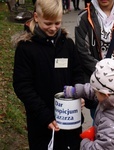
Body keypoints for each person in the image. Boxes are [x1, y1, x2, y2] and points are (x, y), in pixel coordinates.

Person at [12, 0, 84, 149]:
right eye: (48, 23)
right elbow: (23, 86)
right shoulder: (26, 48)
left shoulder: (68, 44)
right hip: (42, 122)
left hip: (70, 120)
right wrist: (45, 116)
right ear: (36, 17)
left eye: (57, 23)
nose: (53, 28)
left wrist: (80, 93)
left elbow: (78, 72)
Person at [64, 58, 114, 150]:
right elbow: (95, 90)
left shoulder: (110, 123)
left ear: (105, 95)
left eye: (96, 92)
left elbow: (101, 148)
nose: (94, 93)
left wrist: (84, 143)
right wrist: (76, 91)